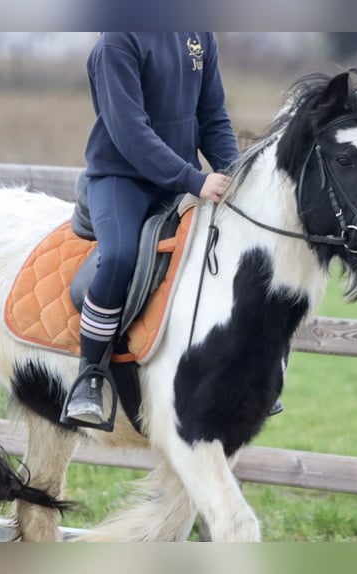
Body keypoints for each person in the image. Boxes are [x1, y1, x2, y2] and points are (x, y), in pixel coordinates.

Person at [61, 32, 244, 430]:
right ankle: (90, 375)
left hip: (177, 181)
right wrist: (194, 179)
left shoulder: (199, 34)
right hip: (121, 179)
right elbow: (130, 132)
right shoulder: (117, 42)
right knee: (120, 257)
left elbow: (213, 117)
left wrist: (238, 173)